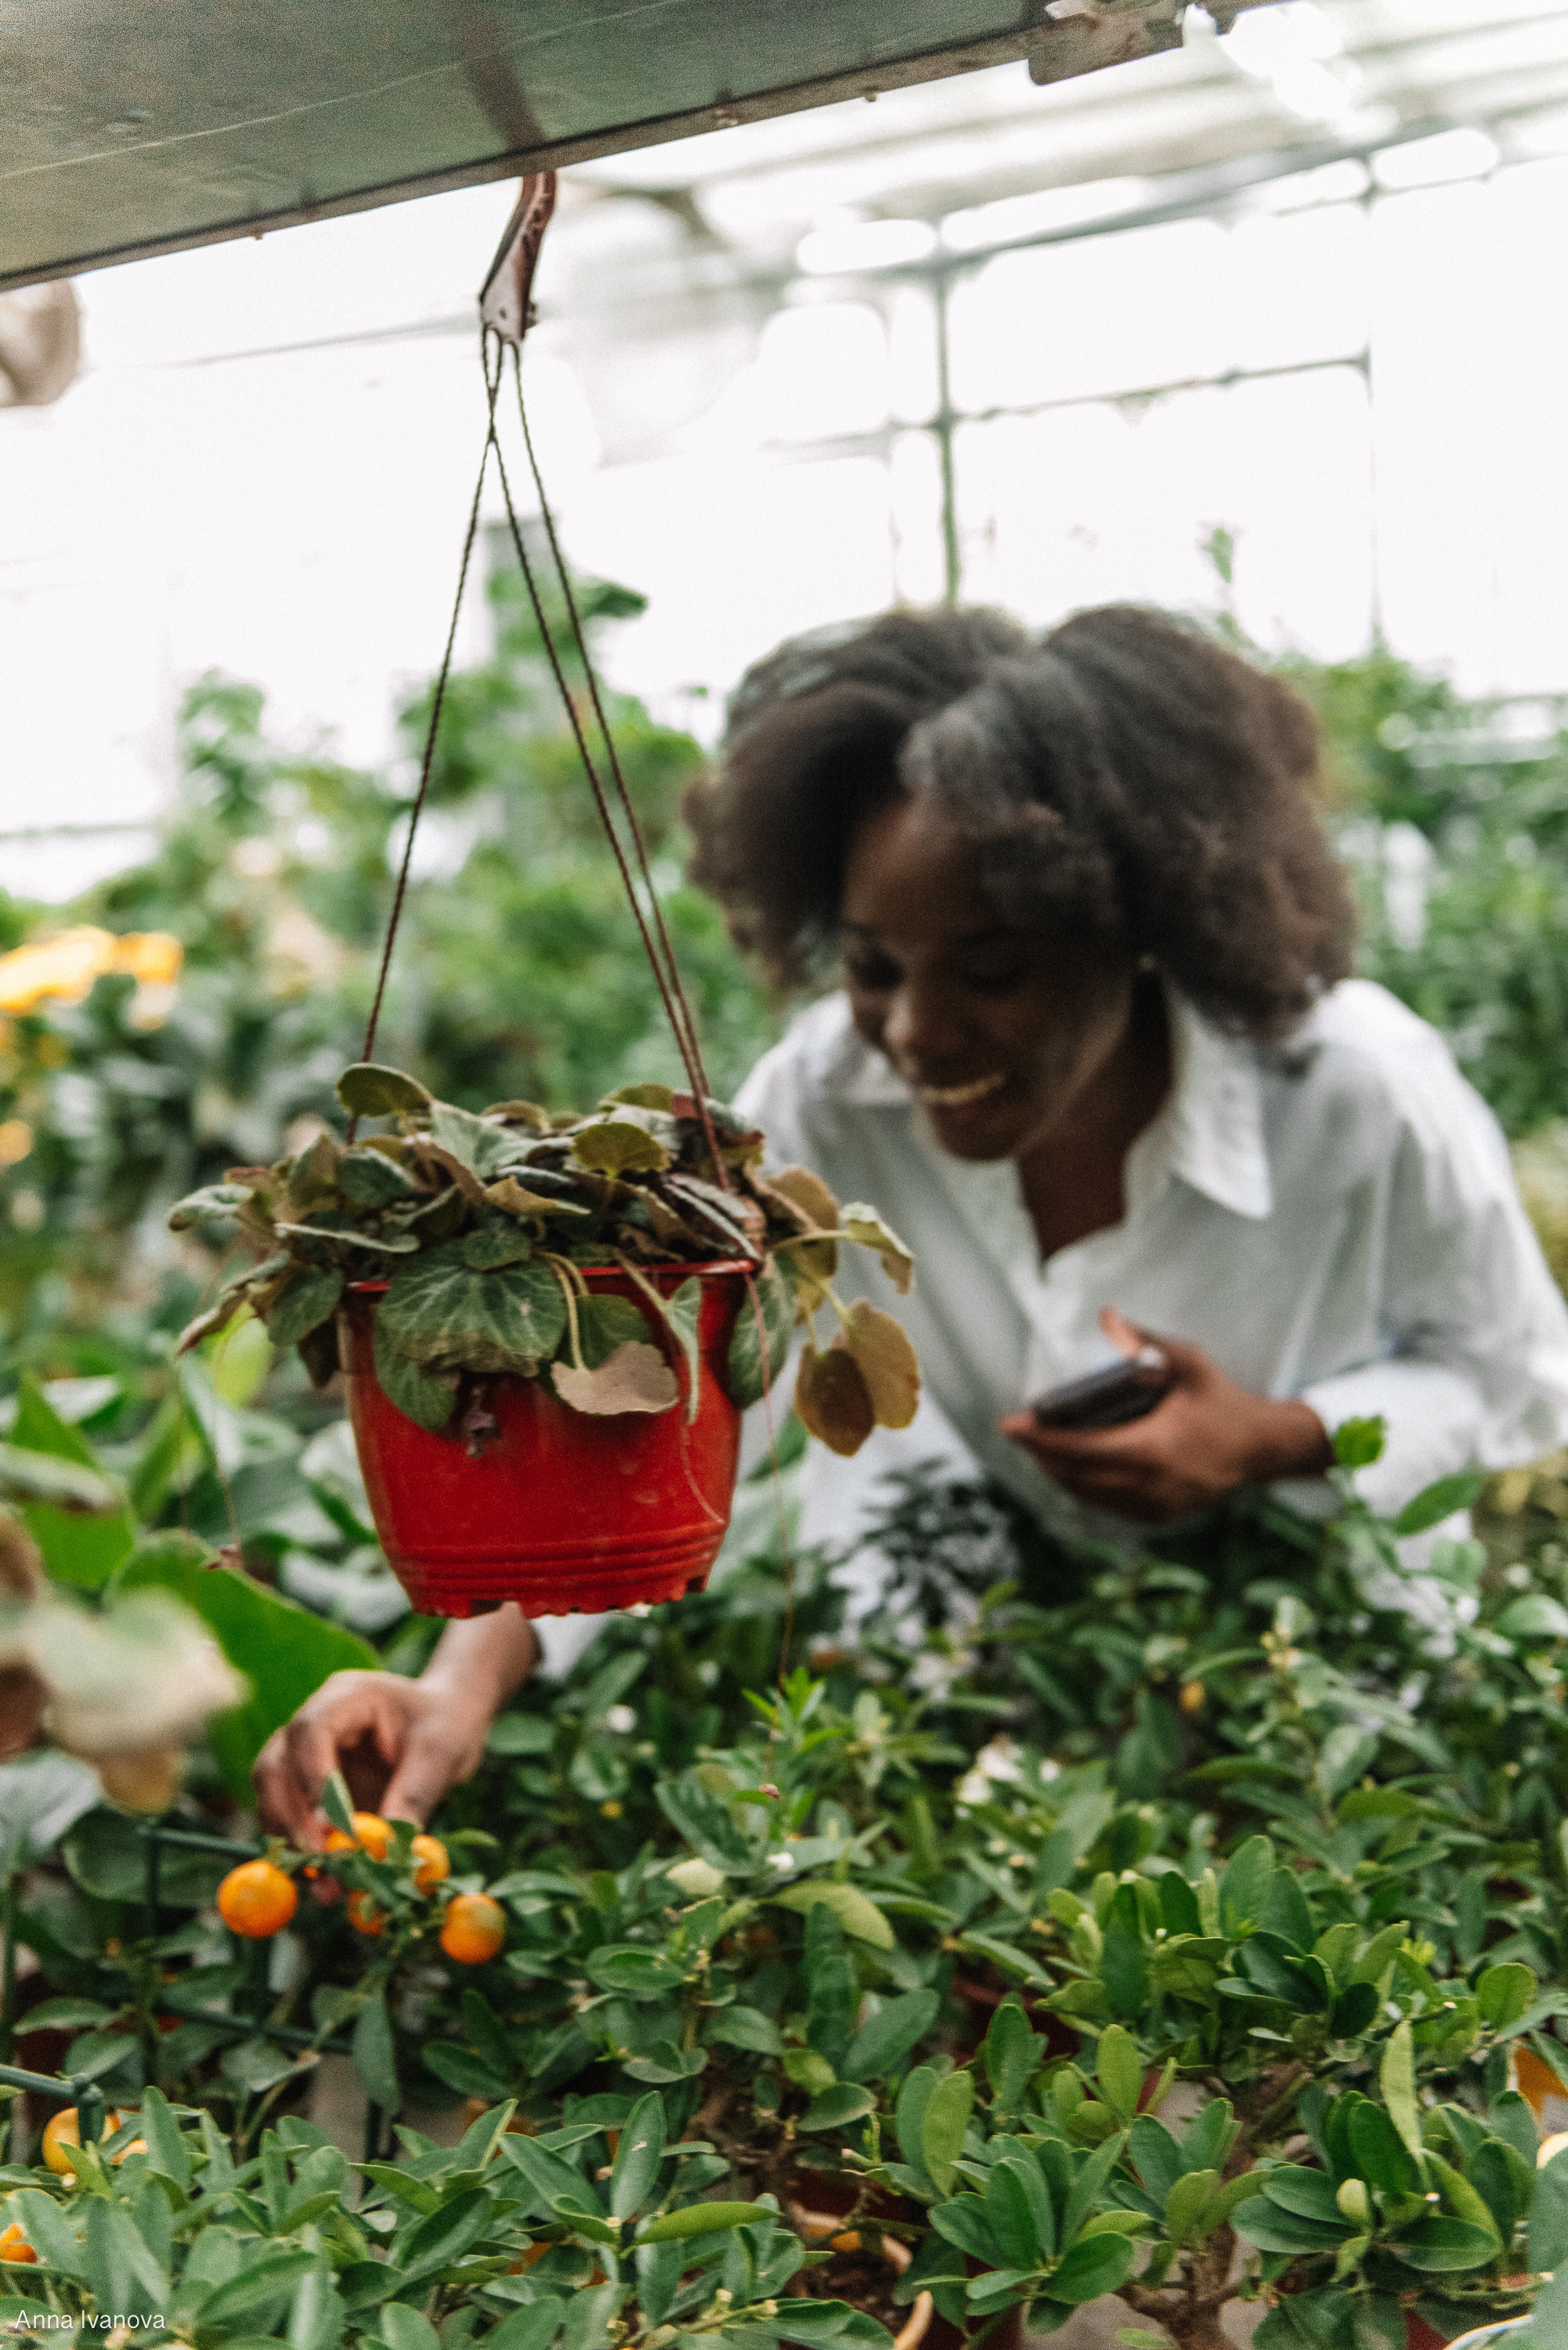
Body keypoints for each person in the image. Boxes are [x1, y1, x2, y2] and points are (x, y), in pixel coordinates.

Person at [254, 603, 1568, 1842]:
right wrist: (456, 1685)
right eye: (873, 967)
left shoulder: (1354, 1097)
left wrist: (1267, 1441)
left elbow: (1517, 1381)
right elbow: (678, 1402)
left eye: (992, 972)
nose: (917, 1034)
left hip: (1329, 1703)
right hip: (998, 1712)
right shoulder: (826, 1101)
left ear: (1138, 928)